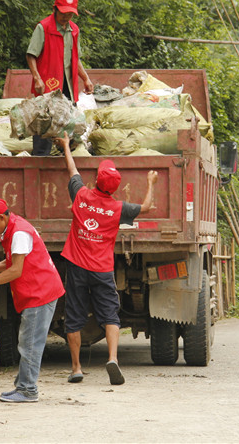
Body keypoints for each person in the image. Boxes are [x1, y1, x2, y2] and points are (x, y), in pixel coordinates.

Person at [55, 133, 158, 385]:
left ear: (96, 181)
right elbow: (146, 208)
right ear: (115, 187)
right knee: (111, 315)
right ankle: (113, 358)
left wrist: (66, 146)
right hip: (102, 270)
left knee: (74, 317)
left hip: (77, 267)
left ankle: (77, 368)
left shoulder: (80, 196)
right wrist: (151, 182)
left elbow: (72, 169)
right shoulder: (118, 208)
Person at [0, 197, 65, 403]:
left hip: (40, 292)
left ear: (1, 217)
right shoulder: (14, 227)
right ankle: (23, 385)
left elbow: (16, 270)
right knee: (27, 340)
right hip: (38, 290)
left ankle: (28, 390)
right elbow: (14, 259)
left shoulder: (19, 232)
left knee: (30, 343)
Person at [26, 0, 95, 156]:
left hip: (67, 86)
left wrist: (85, 78)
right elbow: (31, 54)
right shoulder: (44, 28)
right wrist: (37, 78)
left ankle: (66, 159)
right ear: (55, 9)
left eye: (70, 13)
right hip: (47, 86)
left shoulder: (74, 30)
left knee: (69, 125)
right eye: (63, 13)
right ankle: (40, 159)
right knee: (44, 123)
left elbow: (75, 59)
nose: (66, 17)